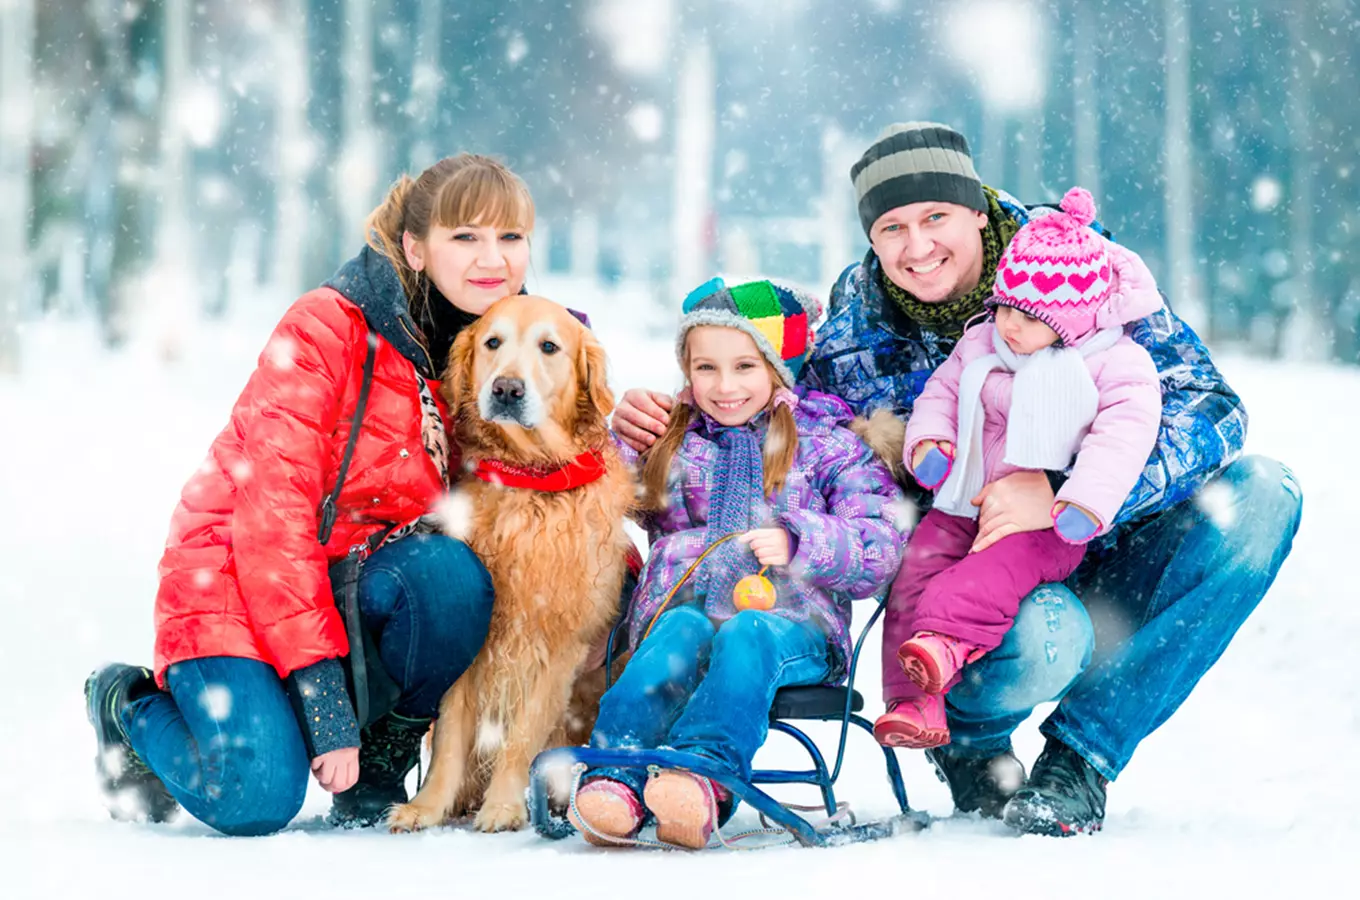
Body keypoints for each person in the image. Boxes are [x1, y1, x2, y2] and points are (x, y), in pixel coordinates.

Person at [612, 123, 1303, 836]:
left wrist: (1070, 494)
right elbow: (785, 426)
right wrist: (678, 417)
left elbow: (1209, 405)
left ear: (978, 210)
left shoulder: (1080, 269)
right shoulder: (858, 325)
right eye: (892, 227)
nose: (916, 247)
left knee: (1262, 497)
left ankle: (1082, 758)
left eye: (936, 217)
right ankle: (972, 740)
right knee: (1049, 636)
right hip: (978, 583)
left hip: (1105, 536)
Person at [83, 153, 536, 835]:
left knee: (449, 580)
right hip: (234, 581)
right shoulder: (328, 325)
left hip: (355, 585)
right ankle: (128, 703)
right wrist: (322, 697)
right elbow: (271, 517)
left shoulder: (503, 348)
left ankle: (379, 764)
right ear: (415, 247)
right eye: (465, 236)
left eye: (510, 238)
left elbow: (551, 477)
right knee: (255, 796)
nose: (491, 258)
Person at [566, 278, 905, 849]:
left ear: (780, 366)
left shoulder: (830, 444)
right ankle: (615, 772)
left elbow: (880, 544)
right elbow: (594, 489)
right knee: (677, 630)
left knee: (747, 633)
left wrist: (802, 541)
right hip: (686, 610)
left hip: (794, 627)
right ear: (686, 371)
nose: (725, 388)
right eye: (706, 369)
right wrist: (619, 432)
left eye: (746, 366)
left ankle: (705, 771)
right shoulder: (675, 439)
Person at [874, 186, 1163, 751]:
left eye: (1027, 316)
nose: (1007, 325)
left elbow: (1121, 440)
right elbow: (942, 392)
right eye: (1003, 306)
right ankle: (912, 700)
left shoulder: (1113, 365)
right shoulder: (984, 343)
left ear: (1071, 319)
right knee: (914, 574)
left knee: (982, 578)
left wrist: (1080, 501)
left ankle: (944, 645)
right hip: (963, 501)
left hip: (1046, 523)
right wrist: (930, 442)